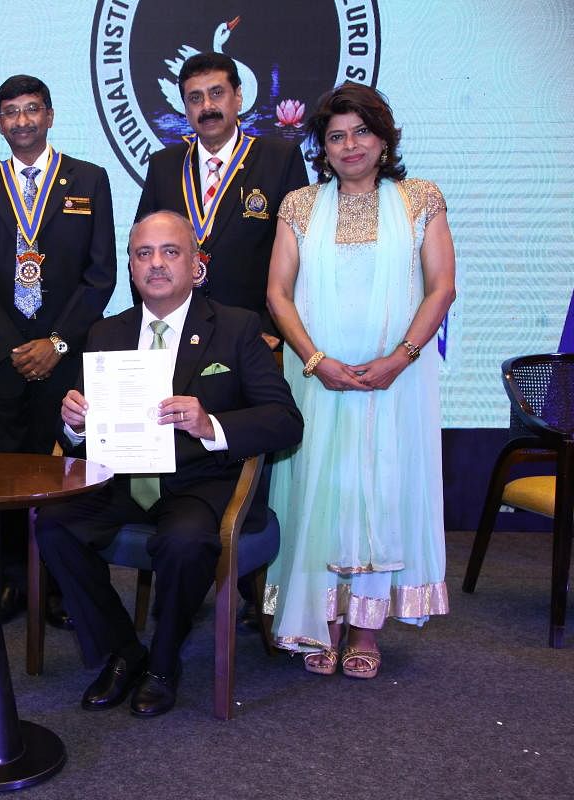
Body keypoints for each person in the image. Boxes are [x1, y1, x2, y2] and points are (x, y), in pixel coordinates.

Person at [34, 211, 302, 717]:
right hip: (118, 478)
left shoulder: (237, 327)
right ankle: (123, 649)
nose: (156, 264)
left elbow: (286, 420)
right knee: (54, 526)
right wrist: (73, 423)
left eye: (170, 252)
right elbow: (76, 432)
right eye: (143, 254)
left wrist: (211, 424)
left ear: (197, 265)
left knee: (185, 541)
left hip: (198, 481)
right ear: (131, 266)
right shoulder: (105, 332)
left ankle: (163, 662)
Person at [263, 83, 456, 679]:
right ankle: (317, 619)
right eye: (336, 136)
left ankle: (366, 629)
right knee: (321, 491)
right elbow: (278, 292)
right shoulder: (299, 204)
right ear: (323, 146)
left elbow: (441, 288)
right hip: (319, 377)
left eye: (361, 133)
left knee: (380, 488)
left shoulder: (420, 198)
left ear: (383, 138)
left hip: (396, 380)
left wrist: (400, 358)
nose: (349, 146)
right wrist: (317, 361)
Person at [0, 74, 116, 621]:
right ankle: (10, 582)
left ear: (50, 114)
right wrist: (15, 346)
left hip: (66, 360)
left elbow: (100, 276)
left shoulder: (89, 180)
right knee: (1, 475)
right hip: (2, 361)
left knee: (66, 477)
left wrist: (56, 342)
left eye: (32, 110)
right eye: (10, 113)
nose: (22, 121)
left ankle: (62, 583)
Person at [135, 53, 308, 347]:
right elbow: (140, 251)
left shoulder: (279, 159)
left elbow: (302, 254)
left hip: (255, 337)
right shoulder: (164, 165)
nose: (207, 107)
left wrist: (274, 329)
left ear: (238, 97)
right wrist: (156, 325)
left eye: (217, 93)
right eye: (195, 98)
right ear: (185, 108)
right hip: (178, 335)